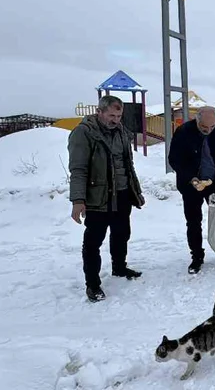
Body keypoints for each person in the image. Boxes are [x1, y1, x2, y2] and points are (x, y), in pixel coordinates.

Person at [68, 95, 145, 302]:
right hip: (98, 197)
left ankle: (119, 267)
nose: (115, 120)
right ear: (99, 112)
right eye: (111, 115)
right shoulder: (84, 133)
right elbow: (78, 169)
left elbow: (128, 165)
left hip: (122, 194)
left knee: (122, 234)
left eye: (119, 116)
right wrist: (78, 200)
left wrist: (135, 190)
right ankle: (92, 284)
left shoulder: (122, 132)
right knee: (93, 241)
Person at [168, 106, 215, 274]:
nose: (208, 130)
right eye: (204, 127)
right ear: (197, 120)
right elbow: (174, 159)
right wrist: (191, 178)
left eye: (212, 127)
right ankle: (197, 256)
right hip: (191, 184)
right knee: (193, 221)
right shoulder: (183, 132)